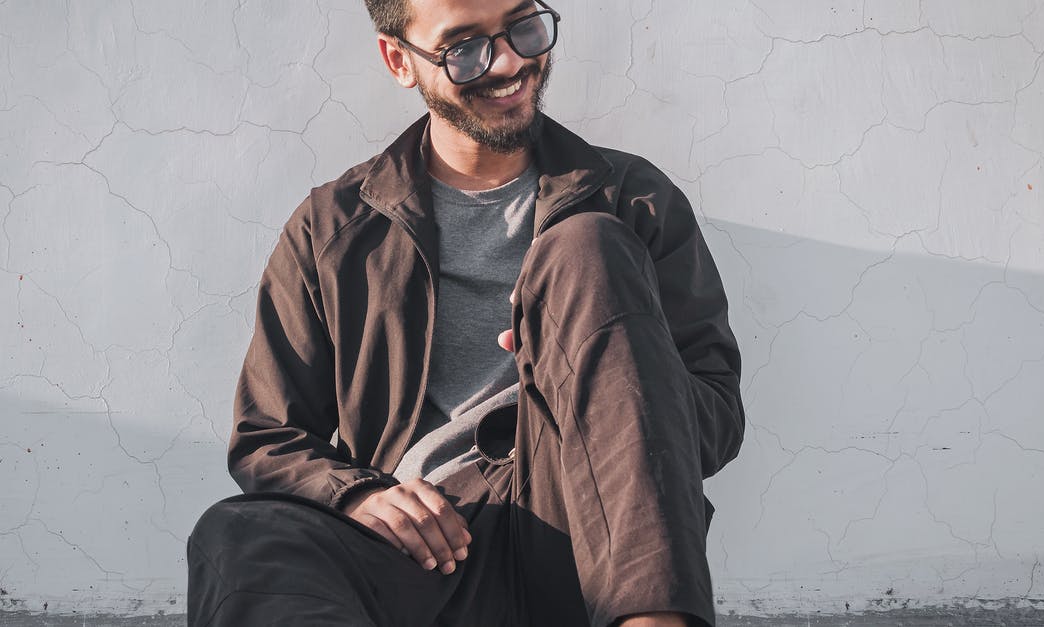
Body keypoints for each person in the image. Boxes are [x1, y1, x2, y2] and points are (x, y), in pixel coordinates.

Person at [186, 0, 745, 625]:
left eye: (523, 27)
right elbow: (269, 438)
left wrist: (595, 370)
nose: (508, 62)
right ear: (401, 60)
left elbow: (717, 414)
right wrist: (359, 496)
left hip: (587, 538)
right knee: (235, 534)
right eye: (464, 47)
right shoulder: (332, 228)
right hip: (420, 554)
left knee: (585, 249)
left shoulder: (631, 201)